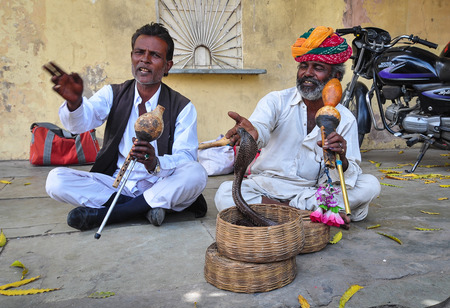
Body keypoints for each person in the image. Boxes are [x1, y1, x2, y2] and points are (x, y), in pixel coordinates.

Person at [45, 23, 208, 231]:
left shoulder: (183, 106)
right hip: (116, 185)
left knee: (196, 173)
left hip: (160, 183)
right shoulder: (113, 93)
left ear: (167, 66)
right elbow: (80, 124)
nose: (145, 59)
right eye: (139, 52)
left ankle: (109, 214)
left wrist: (155, 162)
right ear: (132, 56)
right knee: (56, 180)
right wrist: (75, 104)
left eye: (155, 55)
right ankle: (145, 207)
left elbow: (186, 157)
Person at [214, 26, 380, 229]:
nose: (307, 73)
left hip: (311, 191)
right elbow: (261, 127)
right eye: (303, 66)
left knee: (370, 185)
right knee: (224, 192)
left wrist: (342, 159)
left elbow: (349, 174)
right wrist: (253, 132)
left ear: (335, 76)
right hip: (267, 186)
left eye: (318, 68)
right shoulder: (276, 101)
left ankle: (275, 214)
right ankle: (306, 215)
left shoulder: (345, 119)